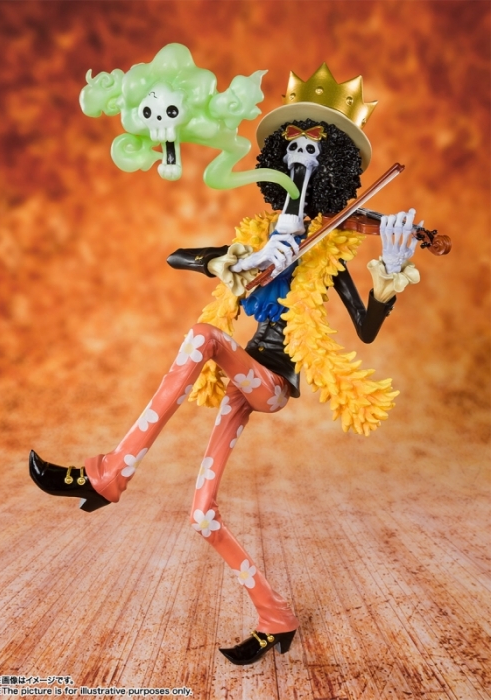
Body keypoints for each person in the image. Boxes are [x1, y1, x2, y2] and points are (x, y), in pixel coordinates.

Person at [29, 62, 420, 665]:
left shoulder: (331, 252)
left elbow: (366, 329)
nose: (302, 156)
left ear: (333, 167)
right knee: (202, 514)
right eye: (294, 146)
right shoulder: (262, 240)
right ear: (278, 158)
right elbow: (178, 255)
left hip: (273, 382)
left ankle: (110, 474)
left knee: (204, 336)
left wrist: (390, 275)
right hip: (243, 375)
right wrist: (233, 259)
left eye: (316, 149)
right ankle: (276, 616)